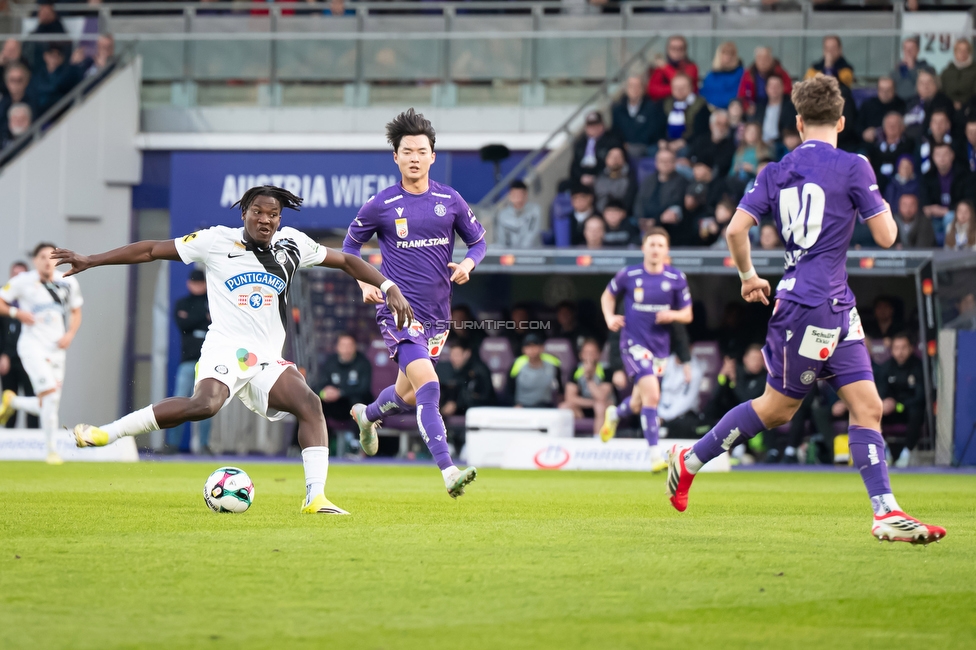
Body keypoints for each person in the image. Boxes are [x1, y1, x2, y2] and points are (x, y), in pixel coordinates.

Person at [665, 75, 945, 544]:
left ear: (796, 122)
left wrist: (748, 276)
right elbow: (887, 237)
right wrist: (873, 197)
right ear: (841, 120)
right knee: (777, 410)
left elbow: (735, 231)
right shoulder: (854, 165)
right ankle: (690, 460)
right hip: (812, 308)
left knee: (868, 406)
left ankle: (885, 512)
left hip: (833, 304)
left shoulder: (775, 170)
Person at [56, 185, 413, 515]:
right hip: (226, 348)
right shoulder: (214, 241)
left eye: (273, 214)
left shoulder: (293, 244)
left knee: (309, 403)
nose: (266, 220)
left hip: (268, 358)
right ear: (244, 213)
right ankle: (108, 433)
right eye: (258, 212)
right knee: (204, 406)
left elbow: (348, 261)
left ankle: (315, 496)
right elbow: (151, 249)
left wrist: (387, 284)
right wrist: (92, 259)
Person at [345, 109, 484, 499]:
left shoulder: (449, 200)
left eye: (421, 151)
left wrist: (470, 263)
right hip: (398, 311)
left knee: (406, 395)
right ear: (396, 157)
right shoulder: (382, 204)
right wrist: (362, 281)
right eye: (407, 151)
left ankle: (367, 415)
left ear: (432, 156)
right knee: (430, 387)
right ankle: (448, 470)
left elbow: (478, 241)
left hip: (438, 315)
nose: (414, 158)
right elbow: (350, 246)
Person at [599, 228, 692, 472]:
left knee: (640, 402)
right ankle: (654, 455)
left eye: (660, 245)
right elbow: (607, 296)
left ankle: (616, 414)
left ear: (666, 250)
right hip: (633, 345)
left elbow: (687, 314)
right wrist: (609, 317)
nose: (655, 249)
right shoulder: (629, 274)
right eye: (651, 244)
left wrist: (672, 314)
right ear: (643, 248)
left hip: (660, 349)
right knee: (652, 396)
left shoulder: (676, 278)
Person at [0, 243, 83, 464]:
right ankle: (51, 451)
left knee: (50, 402)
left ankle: (13, 401)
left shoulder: (68, 280)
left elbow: (76, 310)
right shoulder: (22, 281)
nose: (48, 261)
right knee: (47, 393)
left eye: (52, 257)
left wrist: (70, 334)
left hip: (57, 350)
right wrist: (17, 312)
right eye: (43, 257)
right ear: (35, 260)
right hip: (31, 346)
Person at [168, 268, 212, 454]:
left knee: (207, 403)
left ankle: (203, 444)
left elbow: (215, 324)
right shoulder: (182, 303)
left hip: (209, 362)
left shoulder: (213, 302)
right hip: (188, 361)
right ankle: (172, 444)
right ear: (188, 284)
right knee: (180, 401)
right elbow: (183, 325)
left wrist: (194, 320)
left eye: (201, 283)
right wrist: (203, 317)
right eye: (195, 283)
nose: (198, 286)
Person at [316, 332, 372, 455]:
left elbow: (364, 388)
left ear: (355, 346)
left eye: (350, 345)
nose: (346, 349)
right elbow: (318, 386)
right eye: (343, 345)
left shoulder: (363, 363)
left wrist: (341, 392)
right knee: (313, 404)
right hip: (334, 407)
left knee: (357, 402)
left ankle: (355, 445)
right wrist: (324, 393)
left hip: (352, 407)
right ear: (337, 347)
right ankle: (315, 445)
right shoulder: (329, 363)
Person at [876, 332, 925, 469]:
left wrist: (898, 404)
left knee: (916, 411)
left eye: (904, 347)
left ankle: (906, 452)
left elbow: (921, 396)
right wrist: (884, 402)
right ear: (891, 350)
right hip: (890, 410)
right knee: (875, 410)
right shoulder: (886, 367)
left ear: (911, 348)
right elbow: (880, 392)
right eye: (896, 348)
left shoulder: (919, 366)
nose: (900, 352)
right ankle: (882, 449)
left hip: (908, 409)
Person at [0, 261, 38, 429]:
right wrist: (4, 354)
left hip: (30, 359)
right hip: (10, 358)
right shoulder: (4, 300)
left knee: (33, 400)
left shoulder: (35, 298)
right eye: (15, 275)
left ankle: (35, 441)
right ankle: (8, 443)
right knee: (9, 400)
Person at [559, 338, 611, 436]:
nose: (589, 356)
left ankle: (598, 440)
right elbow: (570, 398)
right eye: (586, 352)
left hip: (604, 407)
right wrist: (592, 403)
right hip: (584, 407)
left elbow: (601, 397)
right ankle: (564, 441)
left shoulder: (606, 371)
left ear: (599, 355)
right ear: (581, 355)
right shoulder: (576, 371)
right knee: (564, 407)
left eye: (592, 353)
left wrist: (589, 378)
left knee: (600, 406)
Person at [611, 75, 665, 160]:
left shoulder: (653, 107)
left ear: (643, 88)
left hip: (647, 146)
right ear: (625, 88)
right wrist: (623, 144)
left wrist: (636, 143)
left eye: (637, 86)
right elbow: (615, 131)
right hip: (625, 148)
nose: (634, 89)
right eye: (631, 86)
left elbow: (655, 130)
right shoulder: (617, 109)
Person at [439, 337, 495, 418]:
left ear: (467, 354)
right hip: (458, 416)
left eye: (456, 355)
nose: (453, 358)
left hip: (481, 416)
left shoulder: (479, 371)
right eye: (451, 354)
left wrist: (456, 405)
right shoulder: (452, 370)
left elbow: (485, 398)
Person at [633, 148, 687, 228]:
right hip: (645, 223)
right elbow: (639, 201)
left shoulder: (681, 181)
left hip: (667, 226)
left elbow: (675, 204)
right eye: (662, 161)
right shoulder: (648, 180)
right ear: (656, 163)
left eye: (668, 161)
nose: (665, 164)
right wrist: (640, 219)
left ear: (674, 163)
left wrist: (655, 221)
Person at [507, 333, 562, 408]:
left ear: (542, 348)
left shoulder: (553, 364)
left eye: (535, 346)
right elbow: (509, 389)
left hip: (545, 406)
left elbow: (561, 389)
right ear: (523, 349)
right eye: (528, 346)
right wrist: (515, 404)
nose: (531, 350)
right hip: (522, 406)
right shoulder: (517, 364)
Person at [659, 74, 710, 154]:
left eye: (683, 87)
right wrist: (661, 140)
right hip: (668, 142)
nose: (679, 90)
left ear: (691, 87)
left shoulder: (700, 105)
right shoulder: (666, 103)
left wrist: (684, 141)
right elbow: (659, 126)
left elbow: (701, 131)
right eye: (676, 87)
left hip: (689, 143)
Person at [570, 111, 622, 187]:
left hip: (602, 176)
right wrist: (581, 177)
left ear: (602, 125)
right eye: (591, 126)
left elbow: (614, 163)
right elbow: (574, 166)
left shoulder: (612, 141)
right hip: (582, 177)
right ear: (586, 127)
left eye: (596, 125)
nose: (594, 128)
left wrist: (596, 177)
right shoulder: (580, 143)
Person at [903, 70, 955, 144]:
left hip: (929, 143)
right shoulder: (910, 102)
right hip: (907, 142)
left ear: (936, 84)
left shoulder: (944, 102)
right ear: (917, 85)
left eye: (929, 82)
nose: (925, 86)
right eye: (921, 83)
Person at [737, 46, 792, 114]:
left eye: (766, 58)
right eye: (760, 58)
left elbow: (788, 92)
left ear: (771, 59)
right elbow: (742, 95)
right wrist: (747, 106)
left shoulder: (780, 73)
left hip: (778, 108)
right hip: (756, 108)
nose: (763, 62)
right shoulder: (749, 74)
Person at [868, 112, 914, 192]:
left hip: (898, 186)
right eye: (889, 124)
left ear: (902, 127)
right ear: (883, 127)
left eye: (895, 124)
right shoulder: (875, 147)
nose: (891, 127)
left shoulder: (908, 145)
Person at [647, 35, 699, 102]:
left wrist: (665, 67)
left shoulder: (691, 67)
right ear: (667, 49)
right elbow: (652, 90)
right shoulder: (660, 68)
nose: (676, 51)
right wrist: (679, 89)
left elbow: (685, 85)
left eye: (680, 48)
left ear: (685, 50)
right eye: (673, 48)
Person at [686, 109, 736, 178]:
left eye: (725, 125)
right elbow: (689, 157)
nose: (722, 128)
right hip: (693, 171)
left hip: (714, 179)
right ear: (711, 125)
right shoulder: (702, 139)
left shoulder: (730, 145)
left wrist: (704, 171)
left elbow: (721, 168)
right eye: (719, 124)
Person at [857, 77, 906, 145]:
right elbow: (857, 126)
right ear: (877, 90)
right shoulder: (867, 105)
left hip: (896, 145)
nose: (885, 93)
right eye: (882, 90)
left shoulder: (902, 105)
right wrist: (864, 133)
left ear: (894, 90)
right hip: (871, 145)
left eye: (888, 90)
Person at [495, 179, 542, 248]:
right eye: (515, 195)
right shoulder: (502, 215)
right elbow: (500, 240)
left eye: (520, 195)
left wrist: (520, 254)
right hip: (510, 255)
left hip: (532, 254)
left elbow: (532, 234)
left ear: (526, 195)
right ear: (510, 196)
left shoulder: (535, 210)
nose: (518, 199)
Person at [700, 41, 743, 110]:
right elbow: (704, 95)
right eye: (725, 53)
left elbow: (740, 95)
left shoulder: (741, 74)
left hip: (732, 111)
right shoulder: (710, 75)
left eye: (731, 54)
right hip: (711, 111)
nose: (728, 57)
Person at [754, 76, 796, 147]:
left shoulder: (791, 108)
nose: (774, 89)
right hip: (760, 145)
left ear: (783, 88)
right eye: (771, 86)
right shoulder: (760, 107)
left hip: (782, 145)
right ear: (766, 89)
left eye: (777, 86)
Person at [593, 146, 637, 214]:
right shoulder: (599, 177)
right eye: (611, 156)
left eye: (618, 156)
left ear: (624, 160)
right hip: (598, 215)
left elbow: (628, 202)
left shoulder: (630, 179)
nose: (615, 159)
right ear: (606, 159)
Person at [891, 36, 936, 102]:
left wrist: (911, 68)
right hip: (899, 104)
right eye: (906, 48)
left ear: (918, 50)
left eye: (912, 48)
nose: (908, 51)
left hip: (920, 103)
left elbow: (923, 86)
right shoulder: (896, 70)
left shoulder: (927, 68)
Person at [941, 39, 976, 110]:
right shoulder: (946, 72)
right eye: (960, 50)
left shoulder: (974, 70)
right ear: (955, 52)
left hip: (970, 108)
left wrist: (962, 103)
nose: (963, 53)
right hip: (948, 107)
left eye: (966, 50)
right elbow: (942, 92)